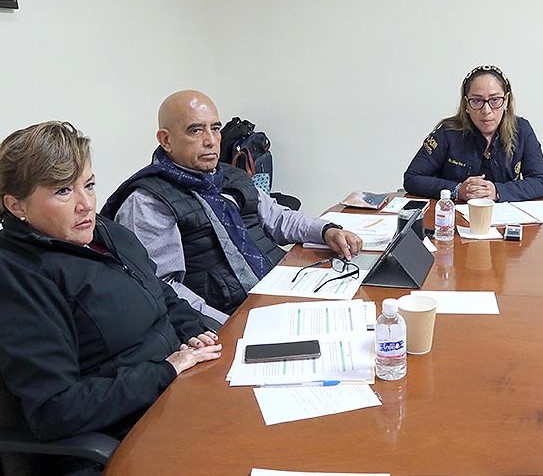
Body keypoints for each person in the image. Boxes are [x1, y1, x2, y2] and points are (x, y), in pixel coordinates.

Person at [0, 122, 223, 474]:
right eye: (63, 191)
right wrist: (165, 370)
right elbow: (56, 410)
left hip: (176, 396)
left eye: (88, 185)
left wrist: (195, 332)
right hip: (122, 439)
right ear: (16, 205)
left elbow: (160, 293)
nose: (86, 204)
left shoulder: (101, 232)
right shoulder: (14, 279)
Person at [101, 90, 362, 325]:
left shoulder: (227, 175)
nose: (211, 141)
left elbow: (278, 218)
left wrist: (326, 230)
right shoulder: (149, 201)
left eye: (215, 128)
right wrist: (230, 327)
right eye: (196, 131)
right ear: (166, 140)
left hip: (278, 289)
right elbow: (165, 289)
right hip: (228, 317)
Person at [403, 64, 543, 203]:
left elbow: (542, 181)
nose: (486, 111)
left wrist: (497, 191)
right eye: (477, 101)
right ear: (466, 104)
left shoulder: (521, 129)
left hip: (505, 215)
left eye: (495, 100)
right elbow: (412, 178)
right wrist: (457, 190)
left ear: (506, 101)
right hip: (456, 215)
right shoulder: (447, 132)